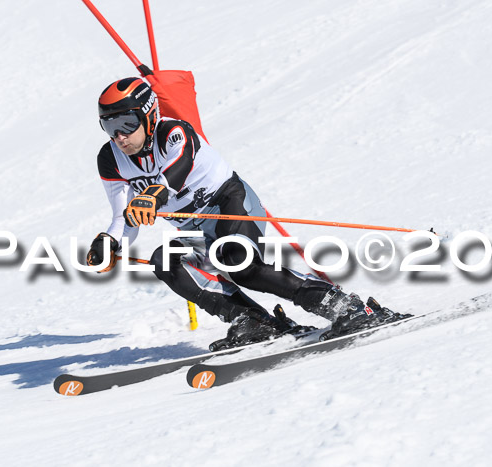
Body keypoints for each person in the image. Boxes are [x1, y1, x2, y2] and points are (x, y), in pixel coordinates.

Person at [86, 77, 407, 349]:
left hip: (229, 203)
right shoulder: (110, 159)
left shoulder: (174, 133)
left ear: (148, 115)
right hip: (194, 227)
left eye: (126, 124)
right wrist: (109, 243)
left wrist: (152, 197)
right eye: (109, 126)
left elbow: (177, 170)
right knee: (164, 261)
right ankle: (252, 322)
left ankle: (346, 308)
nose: (119, 136)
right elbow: (122, 219)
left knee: (239, 263)